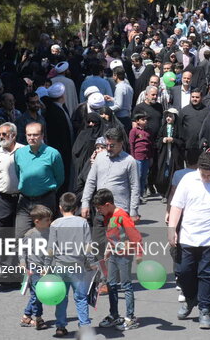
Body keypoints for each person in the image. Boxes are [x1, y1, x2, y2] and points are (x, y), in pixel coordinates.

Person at [168, 152, 210, 330]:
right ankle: (190, 299)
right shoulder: (188, 180)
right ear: (198, 169)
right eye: (203, 174)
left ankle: (205, 310)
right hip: (188, 236)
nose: (206, 178)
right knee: (184, 272)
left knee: (207, 275)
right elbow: (177, 206)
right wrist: (172, 229)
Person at [95, 189, 143, 331]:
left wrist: (139, 253)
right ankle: (114, 315)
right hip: (114, 254)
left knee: (126, 285)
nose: (98, 211)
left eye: (99, 208)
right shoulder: (108, 216)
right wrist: (109, 249)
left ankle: (130, 317)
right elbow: (112, 235)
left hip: (124, 255)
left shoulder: (122, 216)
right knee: (111, 284)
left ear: (108, 204)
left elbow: (135, 236)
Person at [46, 192, 94, 337]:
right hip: (77, 266)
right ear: (76, 208)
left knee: (61, 297)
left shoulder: (55, 224)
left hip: (60, 266)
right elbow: (88, 245)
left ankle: (60, 326)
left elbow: (51, 248)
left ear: (60, 207)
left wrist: (47, 266)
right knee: (80, 297)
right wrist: (91, 262)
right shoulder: (82, 223)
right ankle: (84, 326)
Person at [0, 122, 24, 284]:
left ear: (13, 135)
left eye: (4, 134)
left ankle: (20, 269)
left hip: (22, 198)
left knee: (21, 234)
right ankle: (4, 268)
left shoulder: (24, 151)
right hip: (2, 198)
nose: (0, 137)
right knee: (4, 234)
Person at [14, 123, 64, 239]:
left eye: (35, 135)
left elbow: (60, 177)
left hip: (45, 200)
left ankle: (45, 258)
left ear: (42, 136)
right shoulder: (19, 153)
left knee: (44, 236)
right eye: (29, 135)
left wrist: (47, 190)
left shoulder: (53, 154)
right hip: (24, 201)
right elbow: (19, 173)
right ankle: (22, 258)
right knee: (20, 236)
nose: (31, 138)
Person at [81, 128, 140, 223]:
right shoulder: (99, 158)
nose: (108, 148)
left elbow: (135, 187)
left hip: (119, 211)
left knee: (116, 238)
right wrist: (85, 203)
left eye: (112, 146)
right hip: (100, 210)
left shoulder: (129, 161)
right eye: (107, 145)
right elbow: (90, 181)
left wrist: (133, 211)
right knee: (98, 238)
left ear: (121, 144)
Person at [18, 205, 51, 330]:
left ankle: (26, 316)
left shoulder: (50, 232)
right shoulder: (30, 234)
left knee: (36, 295)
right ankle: (38, 318)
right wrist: (22, 262)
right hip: (34, 268)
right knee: (39, 294)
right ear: (37, 221)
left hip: (46, 267)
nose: (50, 222)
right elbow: (22, 249)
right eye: (47, 220)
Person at [129, 112, 153, 198]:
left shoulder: (148, 131)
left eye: (146, 119)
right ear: (137, 121)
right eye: (143, 119)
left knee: (144, 176)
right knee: (137, 177)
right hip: (137, 157)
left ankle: (141, 194)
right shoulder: (134, 131)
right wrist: (132, 156)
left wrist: (150, 157)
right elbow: (131, 144)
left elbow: (150, 145)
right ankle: (136, 195)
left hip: (146, 157)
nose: (145, 121)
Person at [105, 66, 134, 132]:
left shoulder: (119, 88)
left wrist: (106, 110)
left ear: (115, 75)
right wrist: (112, 99)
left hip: (121, 119)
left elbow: (118, 106)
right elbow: (124, 101)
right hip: (128, 117)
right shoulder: (128, 86)